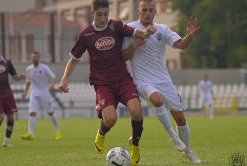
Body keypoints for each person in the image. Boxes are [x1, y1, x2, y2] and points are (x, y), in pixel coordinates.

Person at [58, 0, 156, 165]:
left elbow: (136, 32)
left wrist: (146, 33)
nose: (103, 18)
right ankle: (101, 133)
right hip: (102, 83)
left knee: (137, 112)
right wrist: (64, 79)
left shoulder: (116, 26)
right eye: (99, 15)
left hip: (122, 78)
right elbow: (73, 59)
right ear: (92, 14)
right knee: (110, 119)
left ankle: (135, 143)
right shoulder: (86, 35)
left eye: (105, 14)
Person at [122, 0, 201, 163]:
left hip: (164, 81)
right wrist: (136, 44)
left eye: (151, 10)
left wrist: (189, 35)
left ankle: (187, 151)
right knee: (156, 100)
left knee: (181, 119)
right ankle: (172, 137)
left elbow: (181, 45)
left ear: (155, 12)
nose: (148, 13)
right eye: (145, 10)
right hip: (142, 80)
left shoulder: (162, 29)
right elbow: (123, 57)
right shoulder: (130, 29)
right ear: (138, 11)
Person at [21, 51, 61, 140]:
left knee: (50, 112)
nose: (35, 58)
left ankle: (58, 131)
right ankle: (30, 134)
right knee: (32, 112)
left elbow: (53, 77)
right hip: (34, 94)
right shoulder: (28, 69)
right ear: (31, 58)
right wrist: (25, 93)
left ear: (39, 58)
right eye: (33, 57)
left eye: (36, 57)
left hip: (44, 93)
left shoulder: (44, 67)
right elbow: (28, 82)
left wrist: (52, 85)